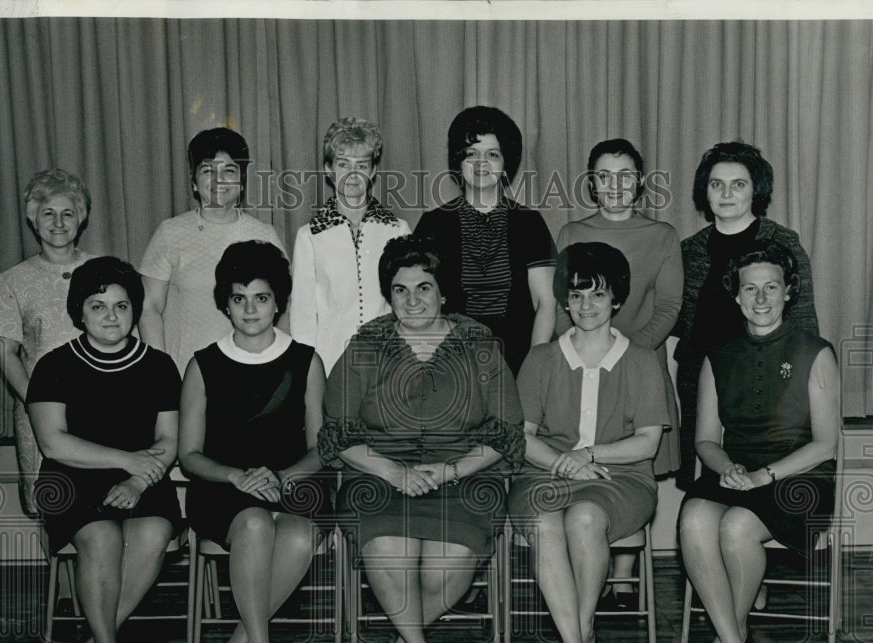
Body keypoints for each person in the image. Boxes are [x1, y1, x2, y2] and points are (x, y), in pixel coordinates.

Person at [320, 235, 524, 643]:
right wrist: (393, 473)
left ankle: (401, 639)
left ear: (443, 292)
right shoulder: (366, 344)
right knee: (391, 547)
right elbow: (338, 432)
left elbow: (505, 432)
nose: (412, 300)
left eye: (424, 287)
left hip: (465, 475)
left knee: (445, 565)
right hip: (377, 475)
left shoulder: (479, 344)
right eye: (400, 289)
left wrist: (449, 470)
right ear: (388, 295)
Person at [508, 242, 668, 643]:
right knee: (545, 519)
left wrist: (590, 454)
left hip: (620, 478)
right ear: (564, 301)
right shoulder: (540, 359)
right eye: (576, 296)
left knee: (583, 518)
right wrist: (563, 462)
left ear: (617, 299)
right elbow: (521, 437)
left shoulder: (640, 360)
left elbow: (647, 442)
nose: (587, 306)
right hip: (542, 472)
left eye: (598, 295)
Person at [678, 244, 839, 643]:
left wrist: (763, 476)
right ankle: (733, 640)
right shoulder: (718, 354)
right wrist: (728, 467)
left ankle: (729, 641)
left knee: (735, 528)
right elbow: (706, 439)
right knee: (692, 520)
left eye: (772, 287)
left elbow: (826, 445)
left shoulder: (815, 351)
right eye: (750, 288)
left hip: (799, 477)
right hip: (736, 471)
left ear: (789, 292)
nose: (761, 298)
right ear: (736, 296)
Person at [178, 240, 330, 643]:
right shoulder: (202, 364)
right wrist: (236, 477)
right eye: (239, 298)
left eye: (261, 298)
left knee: (301, 537)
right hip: (223, 490)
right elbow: (188, 455)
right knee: (255, 524)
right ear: (224, 302)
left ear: (278, 302)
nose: (250, 309)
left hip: (290, 482)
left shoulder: (306, 360)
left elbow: (322, 447)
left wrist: (281, 478)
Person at [27, 257, 183, 643]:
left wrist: (137, 480)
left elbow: (168, 441)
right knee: (102, 537)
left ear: (136, 309)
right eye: (98, 306)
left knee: (154, 531)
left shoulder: (159, 366)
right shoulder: (54, 365)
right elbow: (54, 443)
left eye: (120, 305)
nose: (111, 316)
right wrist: (126, 461)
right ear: (79, 313)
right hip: (70, 480)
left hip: (145, 480)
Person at [555, 138, 683, 610]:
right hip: (578, 366)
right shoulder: (570, 231)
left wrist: (624, 357)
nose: (615, 185)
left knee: (632, 463)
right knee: (581, 459)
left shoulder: (663, 235)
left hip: (639, 366)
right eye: (604, 176)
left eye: (625, 175)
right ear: (592, 183)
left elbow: (668, 306)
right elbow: (560, 304)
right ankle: (591, 571)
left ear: (641, 182)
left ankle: (625, 578)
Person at [673, 140, 819, 490]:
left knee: (763, 494)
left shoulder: (782, 242)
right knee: (708, 493)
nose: (726, 193)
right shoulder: (688, 251)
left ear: (756, 191)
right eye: (716, 184)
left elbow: (805, 328)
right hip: (703, 392)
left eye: (738, 184)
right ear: (704, 192)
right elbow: (678, 335)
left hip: (767, 393)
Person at [413, 105, 556, 374]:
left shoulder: (529, 223)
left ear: (506, 163)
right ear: (458, 160)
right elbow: (419, 301)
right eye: (471, 154)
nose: (481, 163)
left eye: (492, 154)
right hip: (450, 359)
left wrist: (534, 367)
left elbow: (545, 303)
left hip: (518, 359)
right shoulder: (433, 224)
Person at [0, 168, 96, 516]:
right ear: (34, 219)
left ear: (80, 218)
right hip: (38, 409)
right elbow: (6, 351)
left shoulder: (104, 270)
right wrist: (39, 402)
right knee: (53, 509)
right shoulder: (13, 280)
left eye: (68, 213)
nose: (59, 222)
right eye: (49, 213)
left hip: (101, 403)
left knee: (101, 506)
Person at [138, 127, 286, 374]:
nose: (219, 180)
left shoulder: (265, 235)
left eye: (229, 170)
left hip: (254, 373)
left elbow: (284, 309)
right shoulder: (170, 232)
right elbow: (148, 307)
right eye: (208, 170)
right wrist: (161, 372)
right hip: (185, 375)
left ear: (241, 181)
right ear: (194, 182)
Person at [287, 116, 410, 373]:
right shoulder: (309, 236)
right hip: (331, 364)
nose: (353, 174)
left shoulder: (397, 229)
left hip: (388, 363)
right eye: (343, 164)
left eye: (362, 165)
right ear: (329, 169)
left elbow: (407, 305)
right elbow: (303, 317)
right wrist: (308, 374)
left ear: (373, 171)